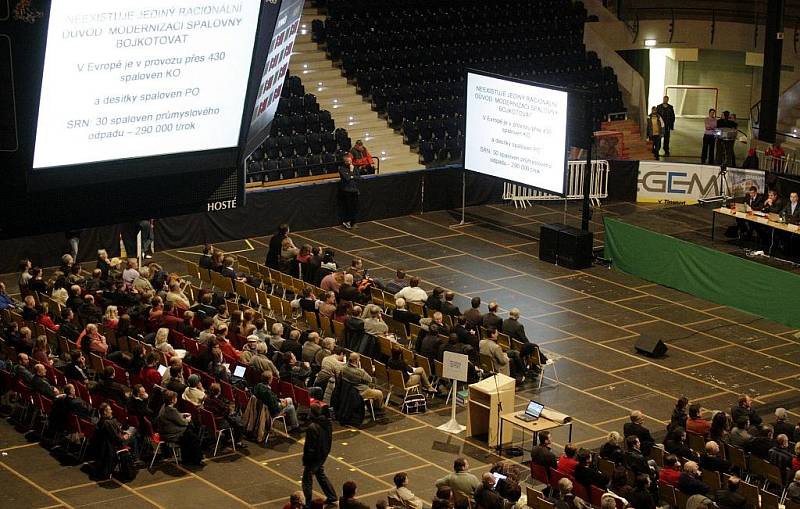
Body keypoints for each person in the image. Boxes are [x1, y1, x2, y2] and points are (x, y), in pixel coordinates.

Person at [302, 403, 338, 505]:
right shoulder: (327, 423)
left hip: (313, 458)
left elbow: (309, 447)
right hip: (323, 454)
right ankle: (332, 495)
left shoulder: (312, 427)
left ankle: (307, 502)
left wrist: (306, 460)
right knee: (320, 474)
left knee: (307, 480)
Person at [339, 153, 361, 229]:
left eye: (350, 161)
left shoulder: (355, 167)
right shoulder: (342, 169)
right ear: (345, 162)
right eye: (348, 161)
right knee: (349, 207)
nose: (350, 163)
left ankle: (353, 222)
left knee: (355, 207)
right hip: (347, 190)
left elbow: (358, 177)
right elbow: (347, 178)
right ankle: (347, 221)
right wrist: (351, 172)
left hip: (354, 189)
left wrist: (352, 176)